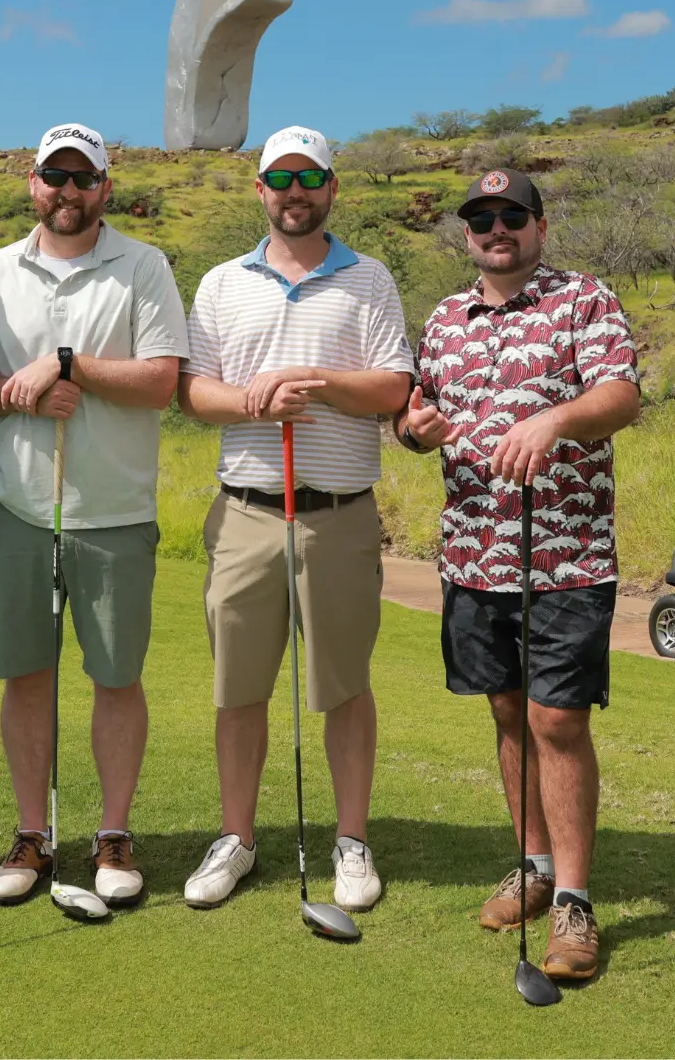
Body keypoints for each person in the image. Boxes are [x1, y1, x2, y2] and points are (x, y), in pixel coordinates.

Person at [392, 167, 641, 982]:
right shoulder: (445, 317)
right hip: (471, 553)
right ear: (467, 235)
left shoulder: (583, 300)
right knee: (506, 713)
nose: (496, 230)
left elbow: (620, 395)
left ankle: (573, 899)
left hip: (566, 555)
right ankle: (532, 866)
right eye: (481, 220)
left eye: (511, 216)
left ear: (539, 223)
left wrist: (554, 419)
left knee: (557, 721)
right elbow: (419, 415)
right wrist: (415, 431)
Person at [175, 125, 413, 913]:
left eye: (310, 177)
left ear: (332, 189)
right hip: (246, 510)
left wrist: (315, 385)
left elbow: (391, 390)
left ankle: (351, 840)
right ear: (261, 191)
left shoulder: (370, 279)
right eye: (280, 177)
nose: (295, 191)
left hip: (338, 515)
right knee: (238, 688)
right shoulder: (219, 283)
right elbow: (195, 393)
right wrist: (253, 399)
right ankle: (237, 837)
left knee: (344, 685)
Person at [0, 123, 188, 909]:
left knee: (115, 676)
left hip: (113, 510)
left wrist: (68, 366)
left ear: (105, 190)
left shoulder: (143, 266)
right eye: (56, 175)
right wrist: (18, 391)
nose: (68, 191)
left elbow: (160, 382)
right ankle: (33, 834)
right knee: (26, 674)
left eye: (83, 178)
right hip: (17, 505)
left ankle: (113, 834)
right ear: (32, 181)